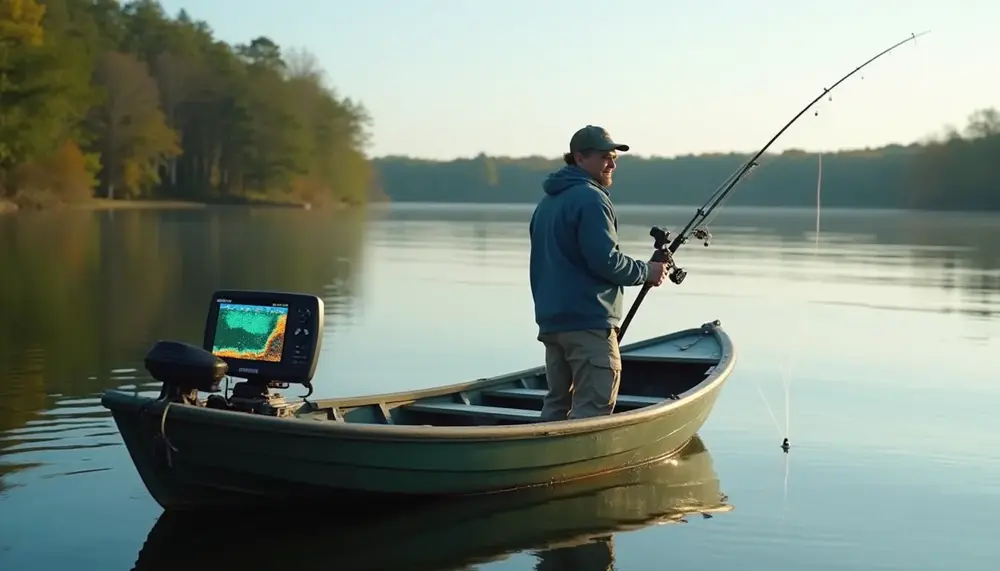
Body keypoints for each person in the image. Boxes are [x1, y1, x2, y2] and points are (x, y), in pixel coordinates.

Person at [528, 125, 668, 422]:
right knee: (592, 411)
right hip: (588, 323)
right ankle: (569, 466)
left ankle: (541, 462)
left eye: (614, 157)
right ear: (579, 158)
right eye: (605, 156)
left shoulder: (548, 202)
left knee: (556, 407)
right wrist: (647, 271)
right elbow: (606, 261)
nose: (612, 164)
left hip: (553, 324)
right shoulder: (591, 198)